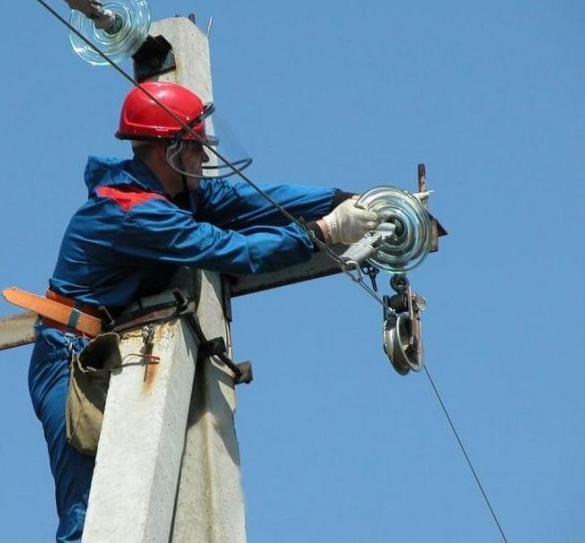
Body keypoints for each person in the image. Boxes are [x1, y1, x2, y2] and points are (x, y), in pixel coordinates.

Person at [27, 81, 379, 542]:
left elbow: (255, 201)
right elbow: (232, 250)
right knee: (90, 512)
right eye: (195, 145)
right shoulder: (134, 212)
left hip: (103, 348)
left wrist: (341, 199)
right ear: (169, 150)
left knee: (133, 496)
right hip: (68, 357)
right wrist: (325, 231)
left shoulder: (176, 196)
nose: (205, 155)